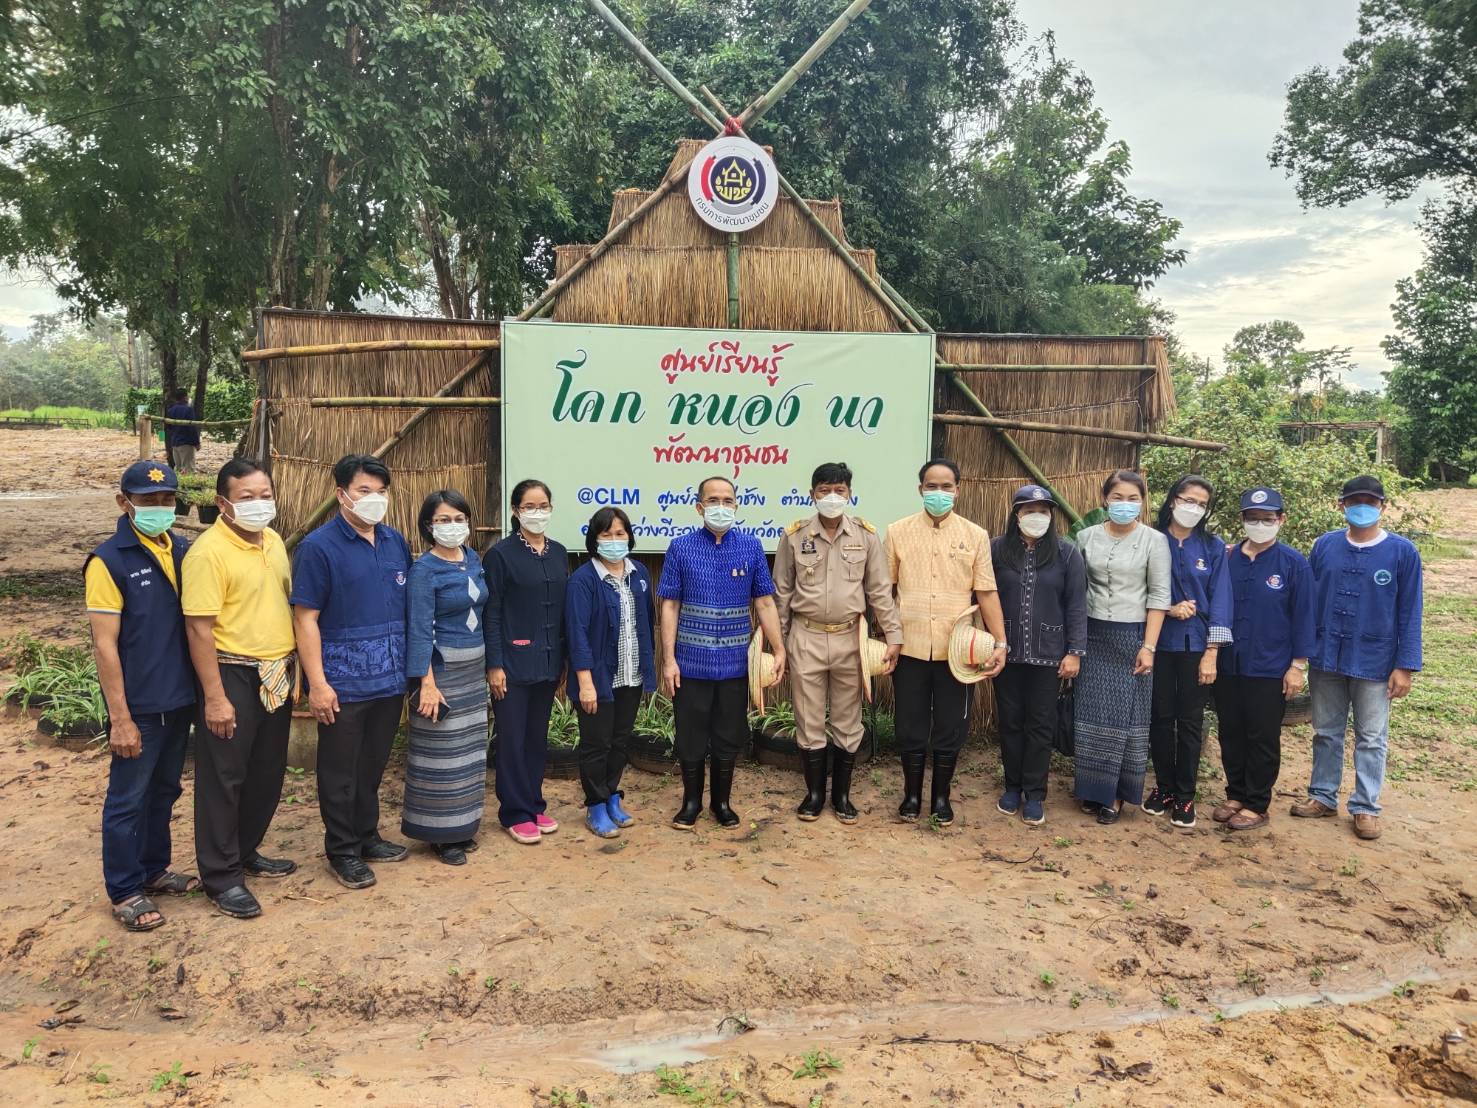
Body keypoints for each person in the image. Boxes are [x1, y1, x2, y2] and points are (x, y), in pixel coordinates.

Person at [181, 459, 296, 919]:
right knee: (223, 777)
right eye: (247, 498)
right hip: (231, 673)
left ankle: (245, 850)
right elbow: (198, 630)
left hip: (275, 671)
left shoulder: (271, 541)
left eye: (264, 494)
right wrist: (214, 696)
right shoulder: (207, 553)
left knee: (266, 772)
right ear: (222, 502)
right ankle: (221, 876)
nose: (259, 504)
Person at [86, 461, 198, 931]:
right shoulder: (108, 561)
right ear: (124, 503)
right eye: (148, 500)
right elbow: (104, 645)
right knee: (127, 798)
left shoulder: (185, 550)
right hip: (140, 707)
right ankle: (125, 888)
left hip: (179, 698)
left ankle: (154, 869)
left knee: (166, 789)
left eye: (167, 499)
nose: (159, 507)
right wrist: (121, 718)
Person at [290, 454, 410, 889]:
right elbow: (305, 619)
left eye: (381, 492)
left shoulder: (396, 542)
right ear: (341, 494)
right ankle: (341, 850)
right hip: (342, 684)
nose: (374, 499)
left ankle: (367, 835)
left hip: (389, 680)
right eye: (364, 490)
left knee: (372, 765)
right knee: (340, 771)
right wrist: (318, 684)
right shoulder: (318, 548)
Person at [1293, 475, 1423, 841]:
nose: (1362, 508)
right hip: (1327, 657)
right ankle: (1322, 795)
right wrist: (1303, 652)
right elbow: (1309, 600)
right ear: (1342, 506)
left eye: (1370, 502)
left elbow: (1410, 611)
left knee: (1371, 736)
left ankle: (1366, 806)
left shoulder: (1402, 552)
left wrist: (1405, 665)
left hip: (1375, 659)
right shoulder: (1326, 546)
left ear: (1382, 506)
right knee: (1326, 731)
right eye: (1354, 502)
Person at [773, 462, 901, 824]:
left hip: (850, 638)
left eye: (839, 491)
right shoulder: (795, 536)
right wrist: (778, 645)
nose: (832, 497)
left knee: (848, 720)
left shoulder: (866, 536)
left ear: (849, 494)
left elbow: (879, 592)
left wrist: (894, 636)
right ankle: (814, 795)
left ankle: (842, 796)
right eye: (825, 490)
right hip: (806, 636)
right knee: (808, 718)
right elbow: (781, 593)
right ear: (813, 494)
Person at [658, 474, 786, 830]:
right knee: (690, 737)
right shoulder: (681, 548)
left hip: (734, 667)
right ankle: (691, 803)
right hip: (690, 666)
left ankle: (722, 803)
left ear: (737, 506)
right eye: (713, 500)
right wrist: (668, 660)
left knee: (728, 737)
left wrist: (779, 649)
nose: (720, 507)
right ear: (699, 507)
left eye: (727, 500)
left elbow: (764, 601)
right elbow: (670, 605)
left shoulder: (751, 547)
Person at [884, 458, 1006, 825]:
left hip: (959, 650)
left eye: (946, 486)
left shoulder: (975, 535)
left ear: (958, 489)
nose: (939, 493)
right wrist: (889, 633)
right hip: (911, 648)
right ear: (920, 489)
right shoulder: (897, 532)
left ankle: (941, 798)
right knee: (909, 726)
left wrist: (1000, 643)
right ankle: (910, 796)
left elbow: (986, 592)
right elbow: (884, 591)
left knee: (951, 726)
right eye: (931, 487)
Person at [1072, 470, 1171, 825]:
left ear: (1143, 503)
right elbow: (1075, 592)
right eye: (1118, 497)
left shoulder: (1154, 541)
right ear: (1104, 499)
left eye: (1133, 499)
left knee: (1126, 720)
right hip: (1093, 635)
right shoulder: (1085, 537)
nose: (1125, 505)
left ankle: (1115, 795)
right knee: (1092, 714)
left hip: (1133, 637)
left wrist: (1149, 646)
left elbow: (1160, 597)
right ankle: (1091, 788)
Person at [1214, 487, 1315, 832]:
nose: (1260, 524)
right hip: (1229, 662)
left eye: (1267, 519)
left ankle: (1257, 802)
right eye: (1252, 518)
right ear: (1242, 520)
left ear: (1281, 520)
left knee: (1262, 735)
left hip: (1270, 665)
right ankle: (1235, 793)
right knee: (1231, 731)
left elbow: (1304, 617)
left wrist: (1297, 666)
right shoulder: (1227, 558)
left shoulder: (1293, 564)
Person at [989, 485, 1087, 827]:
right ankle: (1012, 787)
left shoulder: (1067, 554)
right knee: (1011, 722)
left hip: (1049, 655)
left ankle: (1034, 794)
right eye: (1029, 510)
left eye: (1043, 511)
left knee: (1040, 726)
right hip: (1006, 653)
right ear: (1016, 515)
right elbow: (985, 597)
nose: (1036, 516)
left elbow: (1076, 605)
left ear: (1051, 515)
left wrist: (1074, 652)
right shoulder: (997, 550)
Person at [402, 490, 491, 865]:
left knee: (469, 752)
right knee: (441, 755)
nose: (452, 526)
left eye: (458, 518)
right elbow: (419, 629)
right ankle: (440, 835)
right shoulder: (424, 570)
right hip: (441, 671)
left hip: (474, 670)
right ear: (428, 526)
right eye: (443, 520)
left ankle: (462, 826)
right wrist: (427, 683)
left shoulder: (473, 560)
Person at [1145, 475, 1233, 829]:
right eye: (1187, 500)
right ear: (1172, 500)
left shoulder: (1212, 547)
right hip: (1156, 643)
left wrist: (1212, 651)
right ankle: (1164, 787)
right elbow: (1135, 586)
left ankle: (1185, 795)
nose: (1193, 508)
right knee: (1160, 718)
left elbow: (1222, 600)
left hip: (1196, 645)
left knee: (1191, 721)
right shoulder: (1151, 539)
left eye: (1201, 504)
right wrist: (1167, 607)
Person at [566, 506, 656, 838]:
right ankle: (596, 805)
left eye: (620, 534)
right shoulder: (583, 580)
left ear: (629, 537)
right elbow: (577, 634)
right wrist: (585, 682)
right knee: (596, 743)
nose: (614, 541)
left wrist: (648, 668)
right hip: (598, 679)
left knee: (620, 742)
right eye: (606, 535)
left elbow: (648, 622)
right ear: (594, 539)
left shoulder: (640, 574)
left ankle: (612, 796)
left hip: (630, 674)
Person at [486, 479, 568, 845]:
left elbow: (564, 610)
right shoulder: (501, 555)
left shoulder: (559, 552)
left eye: (544, 506)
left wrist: (563, 660)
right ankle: (514, 811)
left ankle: (534, 803)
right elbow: (492, 612)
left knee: (537, 738)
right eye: (529, 507)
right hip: (512, 665)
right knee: (512, 739)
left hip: (548, 662)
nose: (538, 513)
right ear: (516, 511)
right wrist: (495, 664)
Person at [165, 388, 200, 474]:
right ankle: (188, 487)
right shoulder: (188, 410)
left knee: (178, 468)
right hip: (186, 443)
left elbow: (168, 427)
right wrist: (196, 442)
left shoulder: (170, 411)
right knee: (188, 469)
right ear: (185, 397)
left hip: (175, 443)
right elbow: (192, 427)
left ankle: (178, 485)